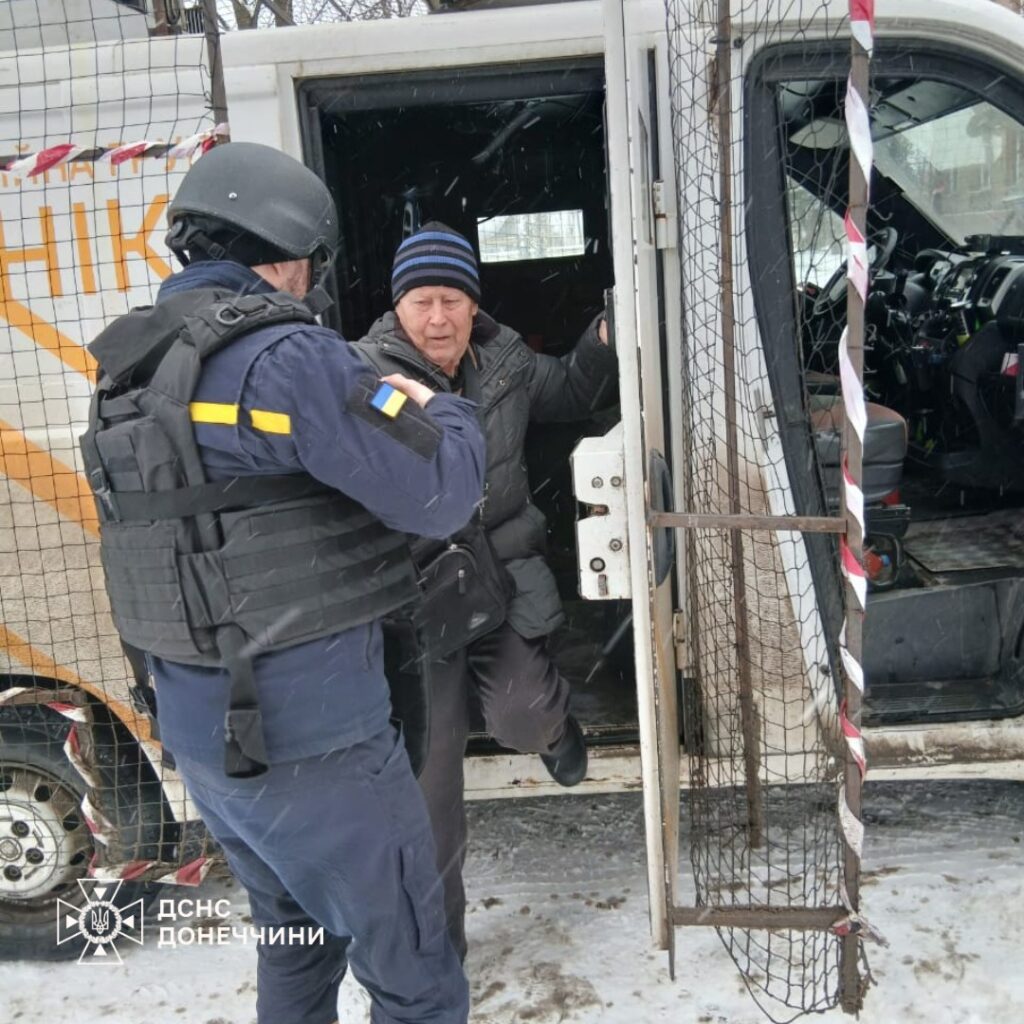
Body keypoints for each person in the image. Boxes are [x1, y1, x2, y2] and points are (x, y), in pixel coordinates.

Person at [80, 146, 483, 1024]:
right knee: (415, 972)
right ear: (292, 253)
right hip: (318, 741)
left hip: (206, 738)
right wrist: (442, 406)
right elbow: (441, 491)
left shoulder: (128, 368)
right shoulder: (290, 359)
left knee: (297, 940)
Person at [352, 221, 618, 959]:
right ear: (397, 306)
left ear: (475, 305)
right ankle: (441, 950)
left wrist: (607, 333)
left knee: (523, 716)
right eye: (422, 302)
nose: (437, 319)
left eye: (452, 301)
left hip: (499, 573)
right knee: (430, 786)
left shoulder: (505, 360)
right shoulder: (361, 372)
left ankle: (557, 732)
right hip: (414, 598)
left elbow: (574, 388)